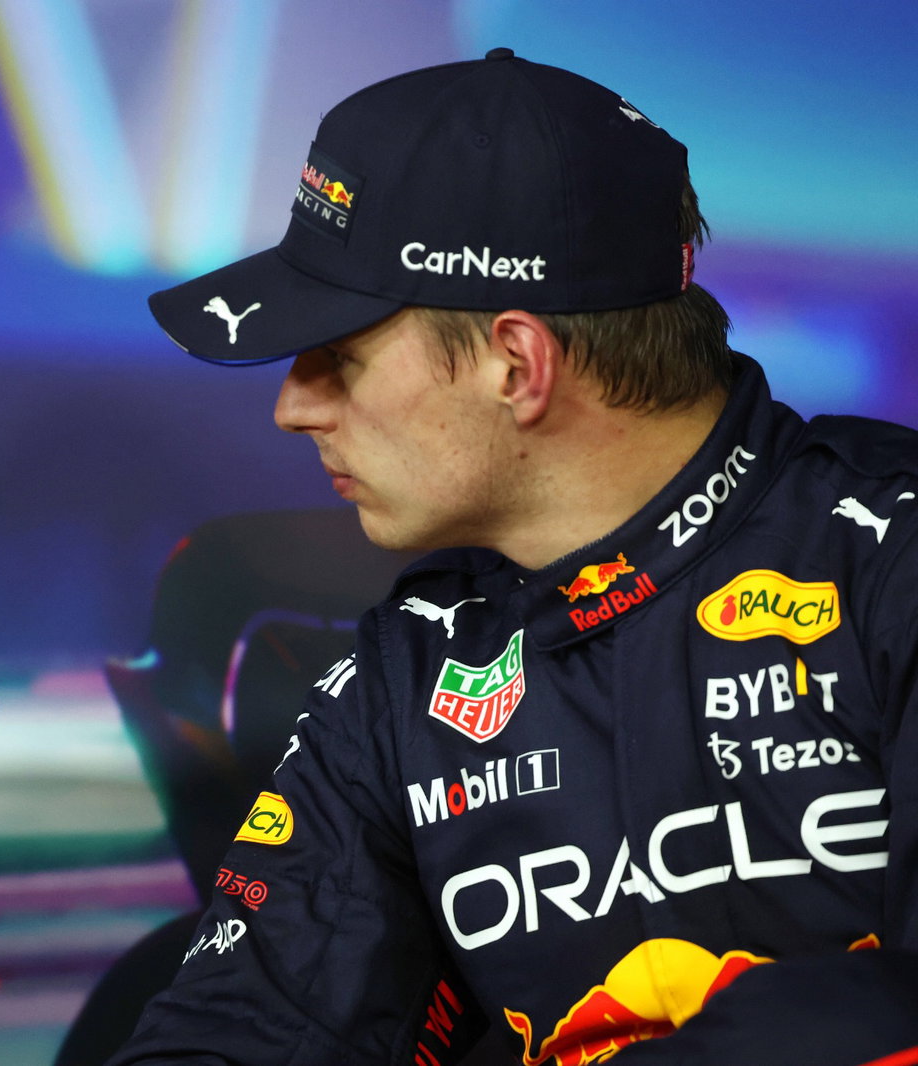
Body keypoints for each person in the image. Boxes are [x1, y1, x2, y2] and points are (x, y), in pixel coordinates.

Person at [108, 50, 918, 1066]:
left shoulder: (889, 554)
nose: (292, 404)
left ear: (516, 363)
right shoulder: (407, 670)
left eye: (339, 358)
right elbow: (246, 1025)